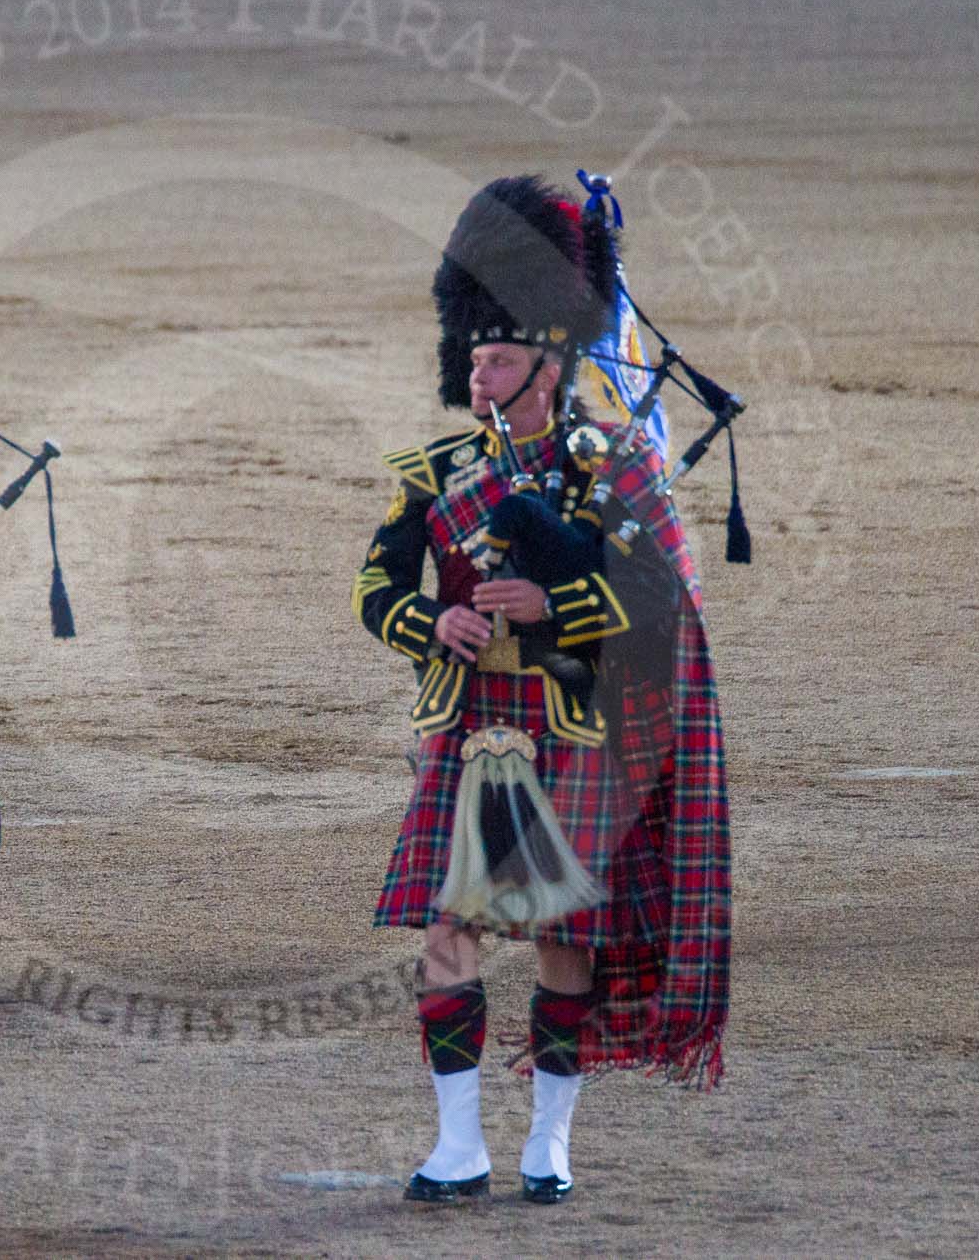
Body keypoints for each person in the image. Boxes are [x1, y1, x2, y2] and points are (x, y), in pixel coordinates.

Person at [357, 174, 731, 1206]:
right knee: (447, 933)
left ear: (551, 362)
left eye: (498, 359)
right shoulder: (432, 473)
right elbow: (372, 584)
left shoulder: (609, 469)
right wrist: (434, 620)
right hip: (468, 726)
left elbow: (662, 610)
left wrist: (554, 608)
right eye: (472, 359)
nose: (478, 376)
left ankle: (549, 1145)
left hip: (566, 724)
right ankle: (455, 1144)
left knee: (568, 940)